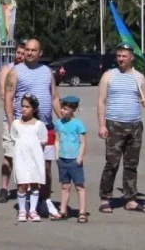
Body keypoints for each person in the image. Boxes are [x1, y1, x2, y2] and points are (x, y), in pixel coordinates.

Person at [4, 38, 61, 217]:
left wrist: (62, 121)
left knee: (46, 167)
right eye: (27, 49)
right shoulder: (15, 72)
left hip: (46, 127)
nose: (29, 53)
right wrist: (13, 123)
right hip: (25, 129)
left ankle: (44, 200)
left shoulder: (47, 72)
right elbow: (8, 98)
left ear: (40, 53)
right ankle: (25, 202)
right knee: (25, 165)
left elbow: (54, 98)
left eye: (33, 50)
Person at [97, 43, 145, 214]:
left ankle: (131, 199)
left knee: (131, 164)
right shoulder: (108, 76)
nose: (121, 59)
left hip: (134, 125)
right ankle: (105, 198)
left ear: (131, 57)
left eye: (124, 56)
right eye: (119, 55)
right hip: (114, 124)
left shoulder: (139, 77)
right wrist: (102, 125)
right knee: (112, 163)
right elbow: (101, 101)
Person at [0, 40, 26, 203]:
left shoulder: (29, 70)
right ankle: (4, 188)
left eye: (23, 53)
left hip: (27, 119)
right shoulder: (7, 70)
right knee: (9, 155)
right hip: (10, 118)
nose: (21, 56)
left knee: (27, 155)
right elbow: (3, 93)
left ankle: (25, 187)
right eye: (19, 53)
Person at [11, 95, 47, 223]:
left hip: (34, 159)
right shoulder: (16, 124)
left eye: (27, 106)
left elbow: (43, 141)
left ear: (34, 109)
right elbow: (14, 138)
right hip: (21, 158)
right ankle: (22, 210)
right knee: (22, 183)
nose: (24, 109)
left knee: (34, 183)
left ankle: (32, 210)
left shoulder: (39, 125)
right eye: (22, 106)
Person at [52, 95, 87, 223]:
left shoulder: (78, 124)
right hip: (63, 159)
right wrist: (57, 155)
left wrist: (80, 157)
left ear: (73, 110)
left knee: (79, 186)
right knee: (65, 186)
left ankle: (82, 211)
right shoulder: (58, 123)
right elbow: (56, 140)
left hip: (74, 160)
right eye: (62, 108)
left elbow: (82, 142)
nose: (62, 111)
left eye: (66, 109)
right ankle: (63, 210)